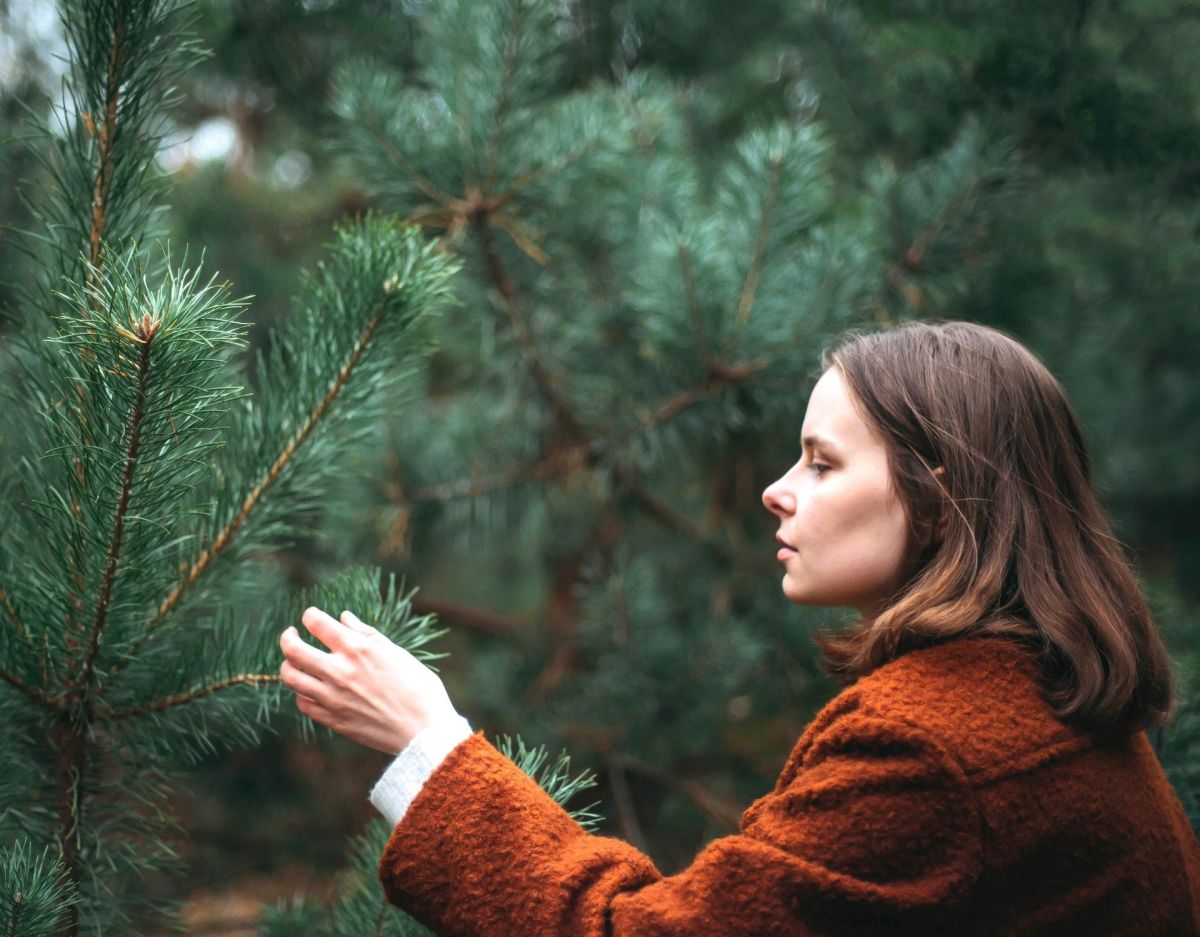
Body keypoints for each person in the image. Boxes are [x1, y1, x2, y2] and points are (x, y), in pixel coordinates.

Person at [278, 319, 1200, 935]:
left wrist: (430, 747)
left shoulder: (932, 753)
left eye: (822, 461)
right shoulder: (1042, 705)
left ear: (937, 495)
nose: (777, 489)